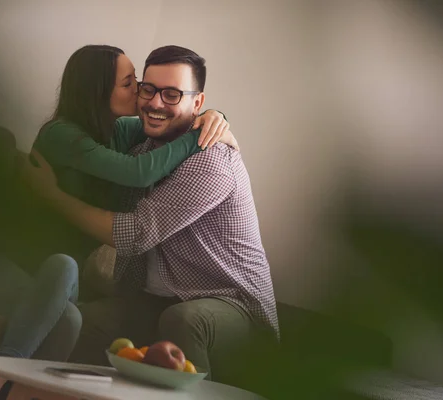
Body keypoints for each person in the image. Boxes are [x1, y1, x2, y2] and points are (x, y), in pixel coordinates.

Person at [0, 45, 235, 400]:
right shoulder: (61, 135)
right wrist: (199, 140)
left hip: (60, 281)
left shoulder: (117, 133)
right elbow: (139, 173)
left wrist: (213, 118)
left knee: (73, 318)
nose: (141, 93)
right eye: (129, 83)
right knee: (63, 270)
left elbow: (175, 117)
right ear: (98, 91)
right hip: (4, 268)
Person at [22, 45, 280, 386]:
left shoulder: (211, 161)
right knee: (87, 321)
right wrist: (219, 116)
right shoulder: (142, 146)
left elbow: (134, 234)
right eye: (148, 89)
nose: (156, 103)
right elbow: (131, 161)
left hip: (232, 305)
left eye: (172, 94)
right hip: (156, 300)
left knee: (185, 320)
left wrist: (53, 195)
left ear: (197, 103)